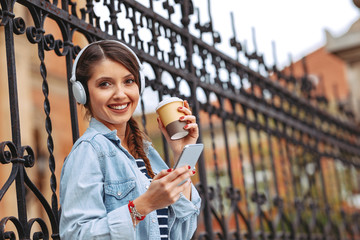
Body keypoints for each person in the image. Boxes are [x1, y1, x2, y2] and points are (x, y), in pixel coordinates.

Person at [59, 40, 201, 239]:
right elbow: (75, 235)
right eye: (105, 84)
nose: (120, 94)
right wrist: (143, 206)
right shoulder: (88, 150)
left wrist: (183, 154)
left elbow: (180, 233)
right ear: (82, 92)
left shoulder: (145, 152)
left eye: (128, 81)